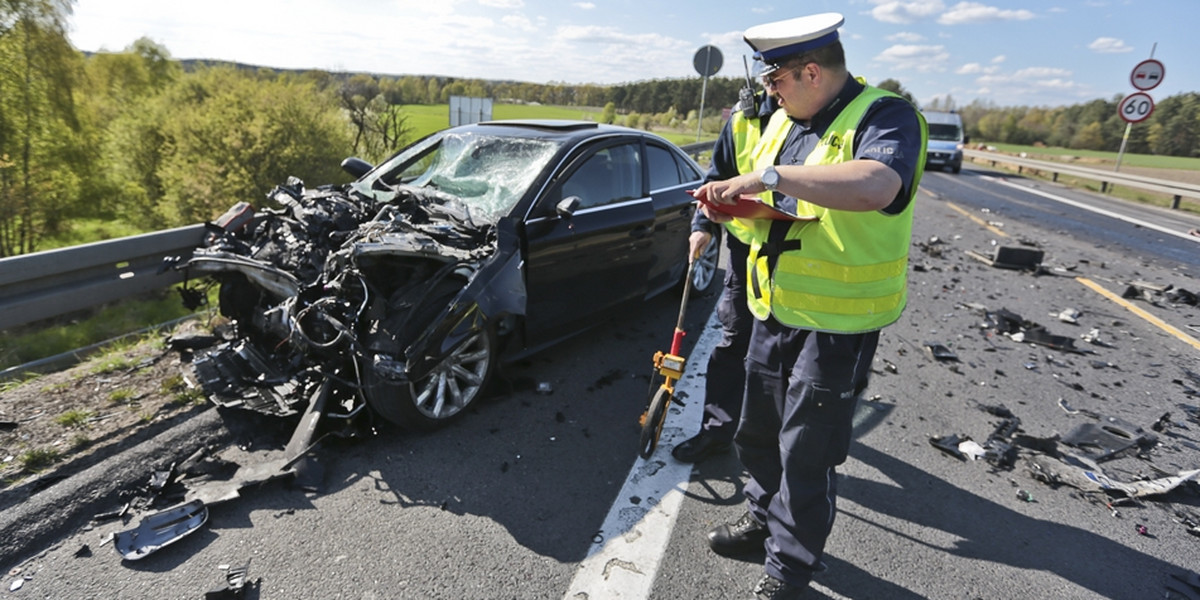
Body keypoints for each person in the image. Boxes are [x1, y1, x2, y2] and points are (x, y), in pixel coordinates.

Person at [695, 12, 927, 599]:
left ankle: (788, 571)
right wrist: (729, 208)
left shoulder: (886, 114)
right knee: (757, 435)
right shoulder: (783, 120)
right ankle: (761, 520)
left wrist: (769, 177)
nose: (768, 91)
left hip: (837, 322)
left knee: (806, 451)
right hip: (774, 310)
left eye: (776, 80)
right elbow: (779, 206)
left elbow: (876, 185)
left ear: (811, 71)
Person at [672, 82, 779, 464]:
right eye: (769, 76)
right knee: (734, 343)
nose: (773, 84)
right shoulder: (742, 119)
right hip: (745, 255)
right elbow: (716, 178)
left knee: (784, 357)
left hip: (802, 256)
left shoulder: (821, 119)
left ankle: (776, 443)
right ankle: (717, 433)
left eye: (779, 74)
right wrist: (702, 225)